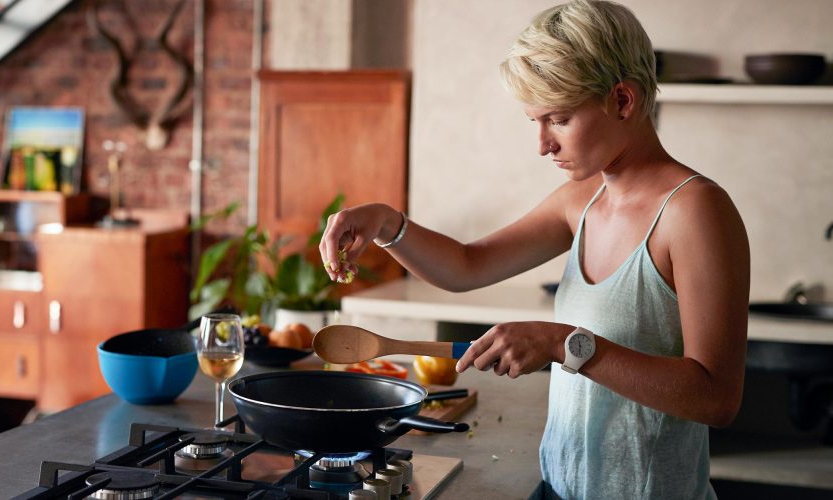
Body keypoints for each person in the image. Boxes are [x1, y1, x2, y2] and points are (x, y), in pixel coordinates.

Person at [318, 1, 750, 499]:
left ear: (624, 101)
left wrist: (563, 344)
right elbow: (467, 265)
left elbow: (717, 397)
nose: (543, 144)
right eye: (535, 122)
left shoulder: (695, 211)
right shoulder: (582, 201)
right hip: (556, 489)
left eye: (559, 119)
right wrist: (386, 223)